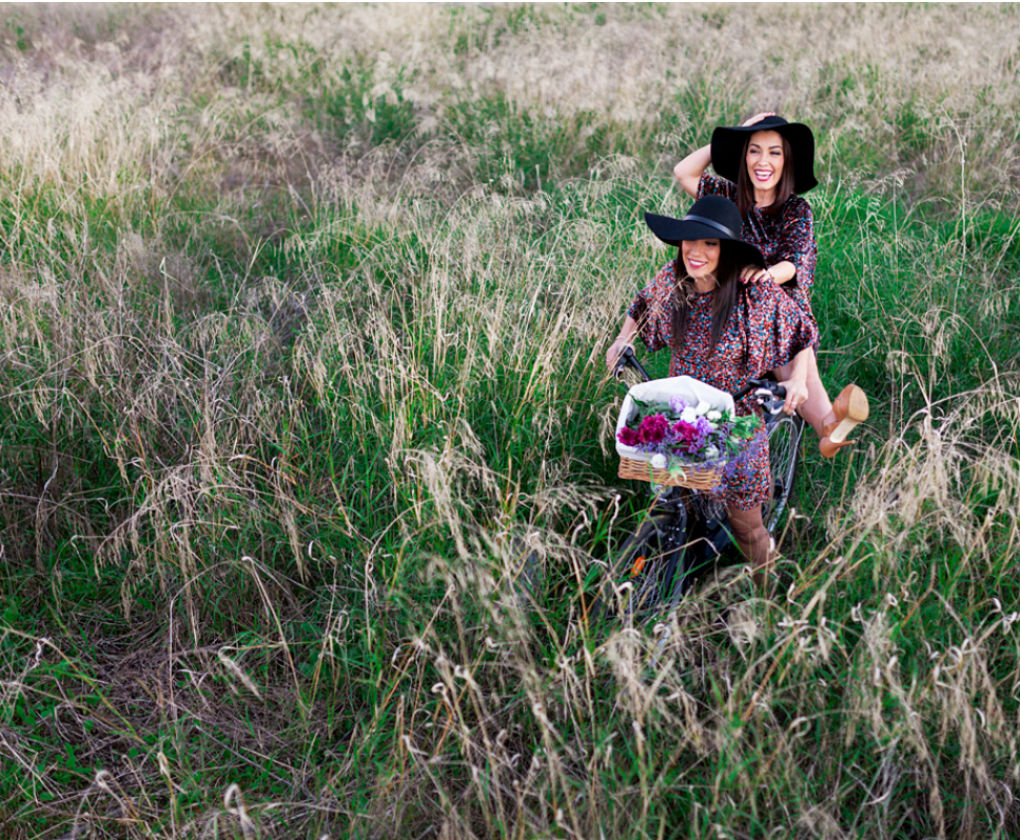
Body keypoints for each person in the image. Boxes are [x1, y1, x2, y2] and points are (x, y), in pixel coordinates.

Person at [604, 195, 863, 583]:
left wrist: (797, 379)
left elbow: (801, 331)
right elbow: (640, 306)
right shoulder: (673, 278)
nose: (696, 252)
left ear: (726, 250)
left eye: (710, 243)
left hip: (737, 416)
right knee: (671, 498)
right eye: (690, 240)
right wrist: (622, 340)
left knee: (747, 528)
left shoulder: (751, 291)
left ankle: (769, 596)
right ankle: (671, 567)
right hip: (683, 409)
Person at [673, 113, 868, 457]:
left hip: (775, 311)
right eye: (754, 150)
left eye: (774, 153)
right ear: (743, 156)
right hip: (725, 310)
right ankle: (827, 424)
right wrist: (731, 138)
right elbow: (683, 172)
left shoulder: (795, 209)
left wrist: (767, 275)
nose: (763, 161)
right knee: (768, 324)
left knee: (778, 313)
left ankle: (827, 424)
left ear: (786, 160)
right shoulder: (727, 197)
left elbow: (797, 263)